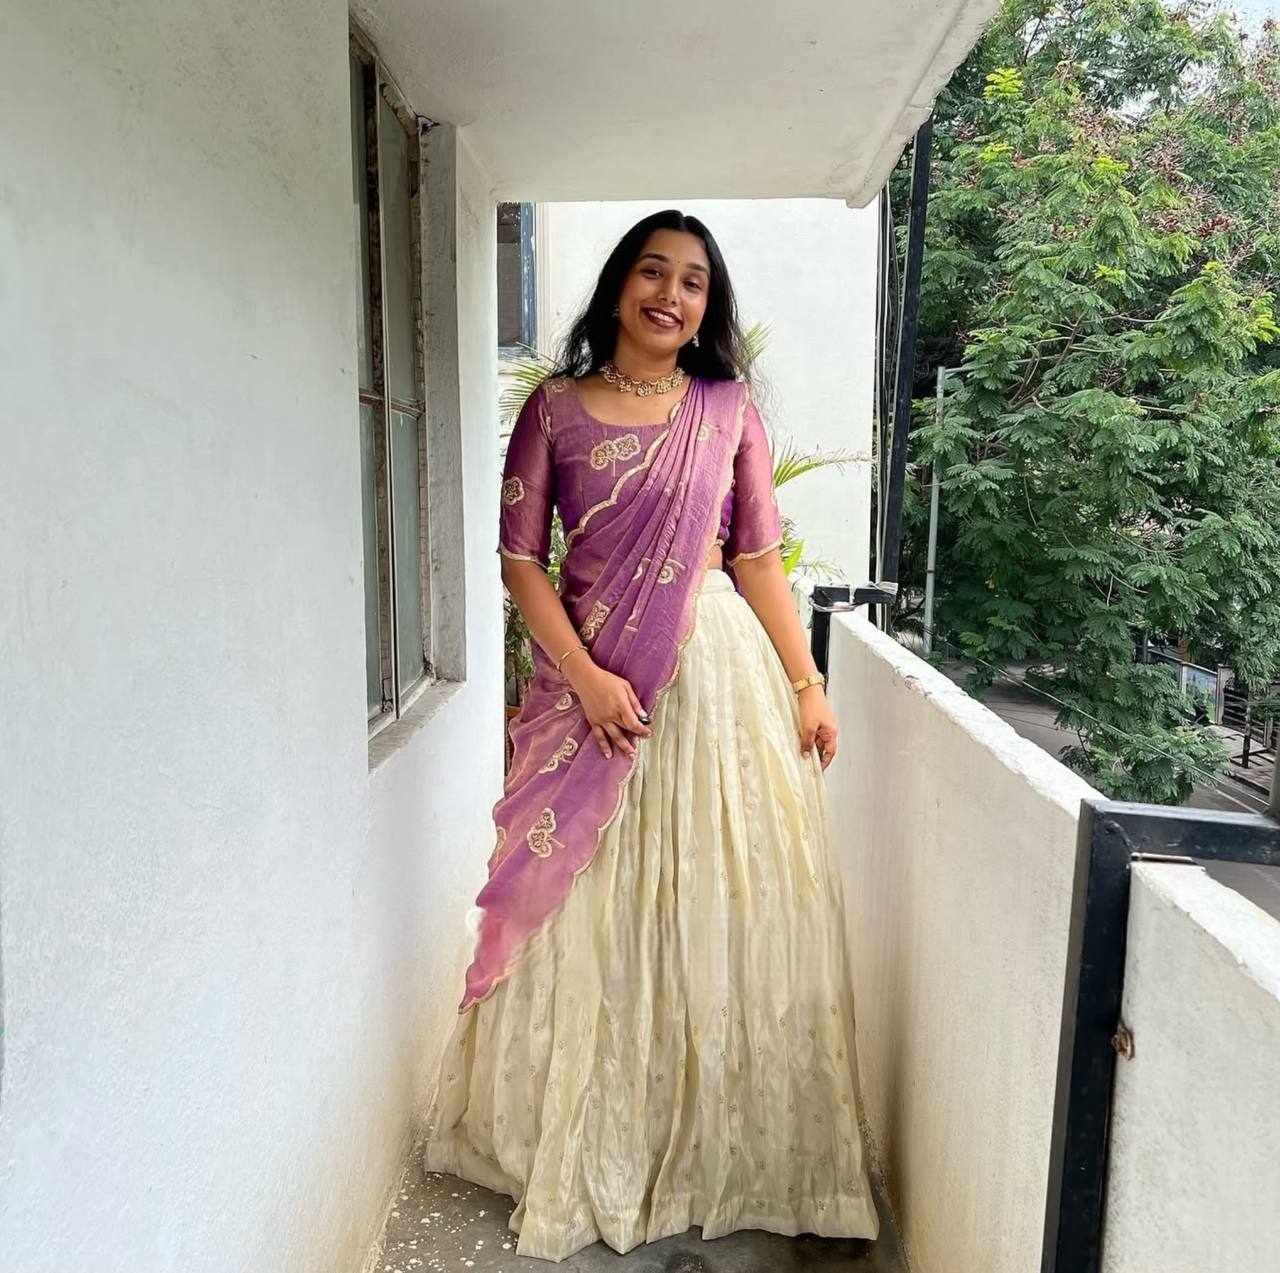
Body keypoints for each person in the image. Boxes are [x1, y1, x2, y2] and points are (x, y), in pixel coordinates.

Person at [421, 209, 878, 1262]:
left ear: (706, 308)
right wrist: (583, 679)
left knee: (714, 897)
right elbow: (520, 561)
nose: (671, 295)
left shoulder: (726, 409)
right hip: (593, 687)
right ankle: (595, 1137)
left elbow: (756, 559)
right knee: (594, 906)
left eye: (692, 282)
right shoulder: (553, 409)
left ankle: (711, 1145)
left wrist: (806, 683)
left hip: (716, 682)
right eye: (653, 272)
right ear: (619, 285)